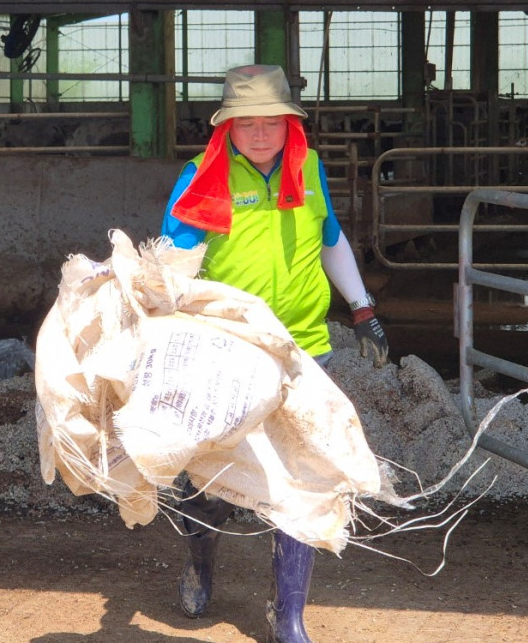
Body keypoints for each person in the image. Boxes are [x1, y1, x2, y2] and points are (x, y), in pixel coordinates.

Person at [160, 64, 389, 643]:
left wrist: (362, 308)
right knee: (207, 473)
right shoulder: (200, 177)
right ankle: (199, 561)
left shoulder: (308, 168)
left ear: (291, 124)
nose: (260, 134)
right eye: (246, 123)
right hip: (225, 349)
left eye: (272, 122)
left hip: (305, 346)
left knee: (304, 475)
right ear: (227, 128)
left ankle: (286, 615)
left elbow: (330, 236)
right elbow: (170, 259)